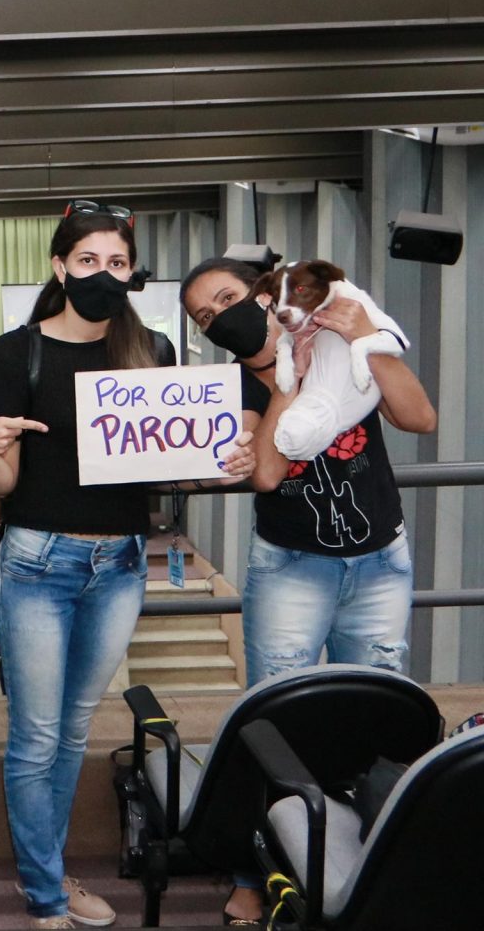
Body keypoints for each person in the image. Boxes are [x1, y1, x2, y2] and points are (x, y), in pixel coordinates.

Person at [180, 255, 435, 925]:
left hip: (379, 561)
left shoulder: (339, 340)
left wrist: (362, 337)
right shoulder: (231, 385)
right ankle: (256, 870)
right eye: (206, 316)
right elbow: (266, 474)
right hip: (292, 567)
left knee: (379, 710)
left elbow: (419, 416)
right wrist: (285, 376)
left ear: (265, 294)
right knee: (275, 720)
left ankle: (373, 861)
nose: (221, 316)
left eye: (228, 298)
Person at [0, 202, 174, 929]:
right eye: (88, 261)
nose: (102, 274)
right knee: (37, 736)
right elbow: (5, 478)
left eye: (117, 262)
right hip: (37, 561)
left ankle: (49, 873)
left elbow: (169, 462)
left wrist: (222, 449)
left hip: (122, 562)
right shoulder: (15, 352)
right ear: (60, 266)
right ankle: (47, 894)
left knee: (77, 729)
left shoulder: (154, 351)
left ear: (132, 271)